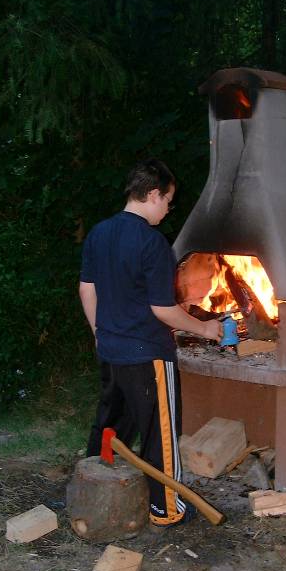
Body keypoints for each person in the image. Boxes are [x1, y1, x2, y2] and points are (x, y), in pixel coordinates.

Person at [79, 158, 222, 528]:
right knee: (160, 435)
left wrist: (99, 332)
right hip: (148, 356)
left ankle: (92, 491)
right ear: (154, 194)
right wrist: (205, 329)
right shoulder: (152, 242)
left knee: (111, 426)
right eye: (169, 201)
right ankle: (166, 509)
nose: (168, 209)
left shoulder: (99, 232)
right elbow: (163, 310)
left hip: (111, 350)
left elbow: (87, 289)